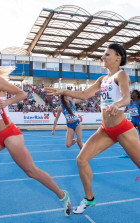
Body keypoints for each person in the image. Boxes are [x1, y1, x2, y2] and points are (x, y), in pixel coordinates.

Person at [0, 55, 72, 216]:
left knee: (30, 171)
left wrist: (6, 103)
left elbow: (22, 94)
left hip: (10, 133)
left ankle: (62, 194)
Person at [44, 43, 140, 214]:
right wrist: (63, 90)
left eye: (107, 54)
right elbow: (84, 95)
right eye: (103, 55)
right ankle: (89, 199)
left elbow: (126, 98)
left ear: (118, 57)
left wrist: (116, 105)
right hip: (105, 130)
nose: (103, 57)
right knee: (81, 160)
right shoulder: (102, 80)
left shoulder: (122, 75)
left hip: (123, 129)